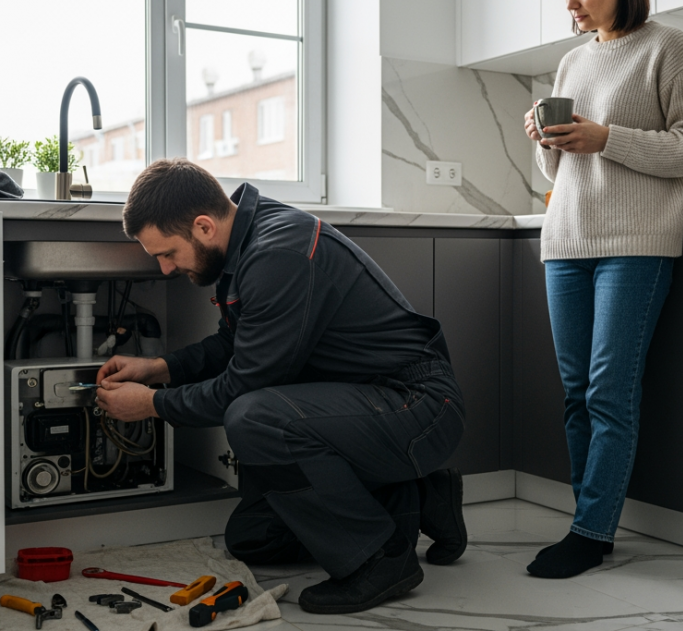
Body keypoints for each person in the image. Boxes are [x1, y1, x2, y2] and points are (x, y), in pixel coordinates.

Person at [93, 159, 468, 613]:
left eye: (168, 253)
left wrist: (153, 404)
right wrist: (159, 367)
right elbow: (235, 343)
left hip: (416, 406)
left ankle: (381, 560)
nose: (166, 269)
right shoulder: (247, 240)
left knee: (255, 417)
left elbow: (244, 386)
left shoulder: (278, 254)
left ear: (204, 226)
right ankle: (418, 496)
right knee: (252, 537)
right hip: (362, 407)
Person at [522, 0, 683, 579]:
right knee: (576, 393)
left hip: (636, 243)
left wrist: (606, 137)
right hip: (566, 240)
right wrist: (545, 138)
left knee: (608, 390)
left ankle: (589, 529)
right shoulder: (572, 63)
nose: (572, 4)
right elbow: (557, 167)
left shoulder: (669, 48)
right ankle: (592, 522)